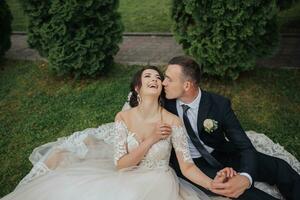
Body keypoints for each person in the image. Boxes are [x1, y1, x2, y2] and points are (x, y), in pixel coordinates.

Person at [1, 66, 234, 200]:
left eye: (157, 77)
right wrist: (151, 139)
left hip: (158, 181)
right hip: (126, 175)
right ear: (137, 88)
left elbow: (187, 167)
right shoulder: (123, 117)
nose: (154, 79)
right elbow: (121, 164)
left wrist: (213, 184)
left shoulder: (172, 121)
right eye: (147, 76)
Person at [162, 56, 300, 200]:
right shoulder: (163, 101)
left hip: (221, 153)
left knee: (279, 167)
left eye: (169, 79)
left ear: (187, 85)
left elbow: (245, 146)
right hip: (192, 164)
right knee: (238, 190)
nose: (163, 83)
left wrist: (246, 177)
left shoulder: (219, 105)